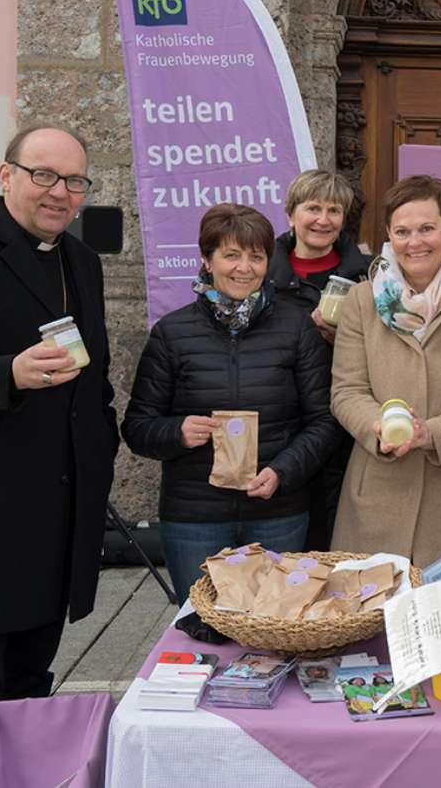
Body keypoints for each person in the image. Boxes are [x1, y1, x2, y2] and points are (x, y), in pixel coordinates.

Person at [0, 125, 119, 754]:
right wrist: (7, 373)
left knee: (29, 690)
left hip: (58, 523)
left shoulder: (83, 261)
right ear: (6, 175)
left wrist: (102, 443)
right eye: (43, 175)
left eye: (73, 181)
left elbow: (97, 380)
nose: (59, 192)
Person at [121, 204, 339, 597]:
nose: (245, 268)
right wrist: (177, 432)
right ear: (206, 259)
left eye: (256, 256)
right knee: (204, 627)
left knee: (276, 626)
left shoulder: (297, 328)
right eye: (231, 255)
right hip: (195, 518)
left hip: (279, 512)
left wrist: (283, 472)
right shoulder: (172, 333)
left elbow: (323, 422)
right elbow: (138, 426)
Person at [330, 175, 441, 568]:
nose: (415, 242)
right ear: (390, 237)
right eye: (403, 232)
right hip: (376, 494)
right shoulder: (361, 301)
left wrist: (435, 433)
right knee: (372, 621)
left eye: (427, 228)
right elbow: (346, 391)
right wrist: (378, 425)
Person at [269, 170, 372, 551]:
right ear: (291, 213)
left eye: (334, 210)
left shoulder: (369, 274)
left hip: (346, 429)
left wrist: (348, 340)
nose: (323, 220)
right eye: (313, 208)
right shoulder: (260, 272)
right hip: (282, 426)